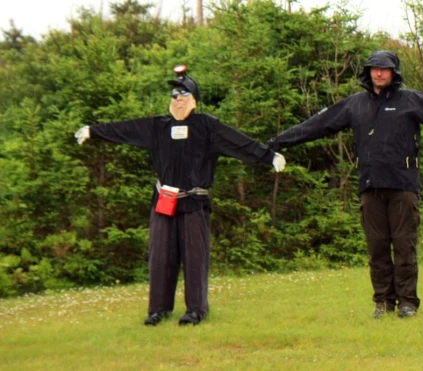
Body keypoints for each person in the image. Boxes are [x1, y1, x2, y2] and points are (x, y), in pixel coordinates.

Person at [267, 50, 423, 319]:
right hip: (370, 187)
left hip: (403, 186)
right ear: (368, 72)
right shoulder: (355, 105)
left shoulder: (410, 101)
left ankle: (407, 303)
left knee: (404, 247)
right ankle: (383, 302)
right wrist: (278, 142)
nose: (378, 73)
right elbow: (318, 124)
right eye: (374, 68)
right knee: (376, 248)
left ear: (394, 72)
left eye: (384, 69)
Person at [74, 65, 287, 326]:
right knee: (160, 256)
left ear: (194, 98)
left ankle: (196, 310)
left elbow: (238, 142)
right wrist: (93, 131)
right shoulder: (157, 127)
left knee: (195, 257)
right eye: (174, 94)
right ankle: (158, 309)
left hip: (194, 203)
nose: (177, 99)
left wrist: (269, 156)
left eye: (183, 93)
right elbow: (124, 130)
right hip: (164, 203)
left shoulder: (207, 127)